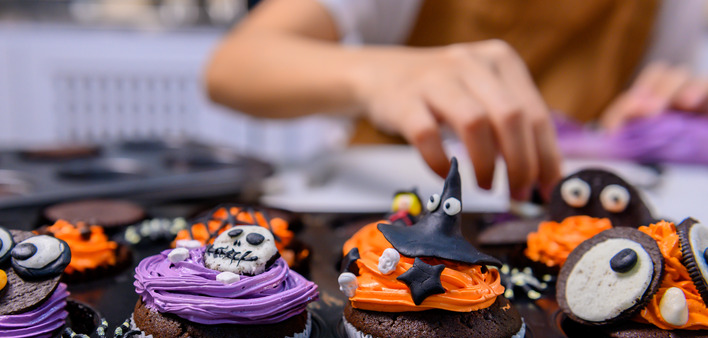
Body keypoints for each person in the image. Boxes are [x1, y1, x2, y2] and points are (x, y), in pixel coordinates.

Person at [204, 0, 707, 201]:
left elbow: (641, 105)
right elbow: (232, 67)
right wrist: (377, 75)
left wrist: (640, 120)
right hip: (377, 194)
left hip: (553, 208)